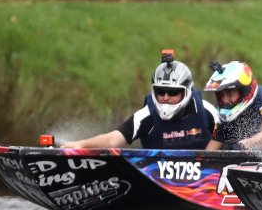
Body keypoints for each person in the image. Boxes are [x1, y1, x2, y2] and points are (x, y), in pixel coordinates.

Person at [62, 50, 220, 150]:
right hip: (156, 180)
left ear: (186, 92)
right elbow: (113, 139)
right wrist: (80, 144)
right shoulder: (146, 116)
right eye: (160, 91)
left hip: (204, 182)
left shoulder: (206, 111)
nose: (165, 98)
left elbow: (229, 135)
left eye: (172, 92)